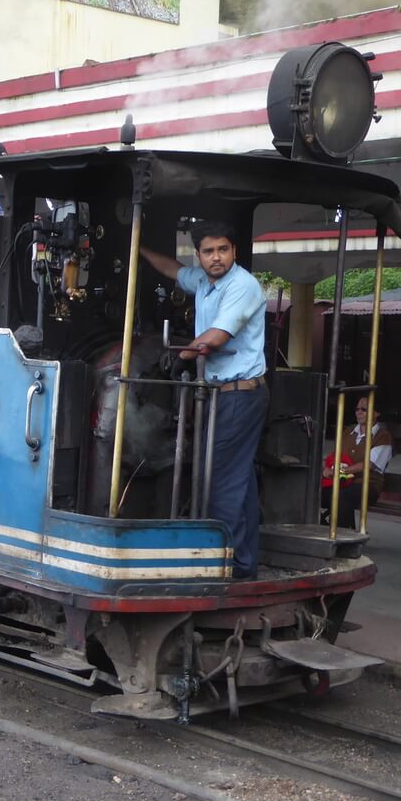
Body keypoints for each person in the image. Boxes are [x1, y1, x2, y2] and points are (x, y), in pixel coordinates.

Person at [140, 220, 268, 580]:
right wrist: (139, 248)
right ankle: (242, 564)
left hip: (239, 393)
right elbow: (172, 270)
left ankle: (216, 567)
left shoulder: (242, 286)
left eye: (223, 250)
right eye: (209, 252)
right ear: (199, 255)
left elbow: (214, 338)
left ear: (234, 251)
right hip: (219, 392)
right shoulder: (203, 281)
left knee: (220, 480)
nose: (217, 258)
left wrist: (177, 355)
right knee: (238, 482)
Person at [321, 397, 393, 530]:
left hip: (367, 485)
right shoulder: (349, 431)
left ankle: (342, 536)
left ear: (376, 413)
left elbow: (367, 465)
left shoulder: (383, 436)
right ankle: (321, 529)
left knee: (341, 496)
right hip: (342, 481)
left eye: (364, 409)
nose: (359, 412)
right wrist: (326, 468)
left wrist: (340, 471)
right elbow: (334, 456)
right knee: (314, 491)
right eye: (357, 409)